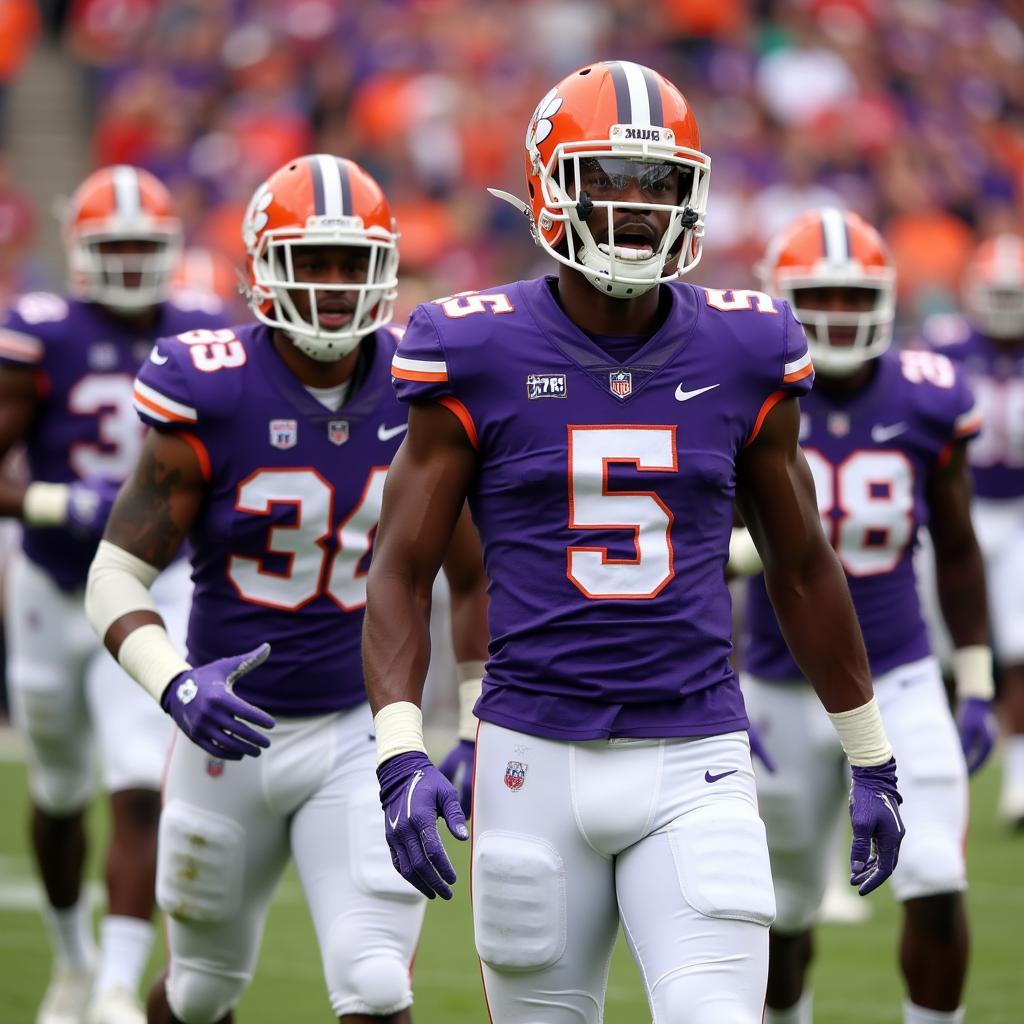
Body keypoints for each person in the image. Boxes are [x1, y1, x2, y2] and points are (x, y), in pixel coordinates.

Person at [362, 62, 906, 1024]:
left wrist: (870, 753)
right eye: (606, 176)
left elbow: (801, 562)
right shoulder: (472, 346)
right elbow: (401, 568)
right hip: (530, 752)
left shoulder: (748, 346)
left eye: (659, 183)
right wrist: (403, 750)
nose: (635, 207)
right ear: (546, 185)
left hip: (696, 750)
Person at [83, 153, 488, 1024]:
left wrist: (476, 720)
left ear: (384, 268)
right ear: (264, 266)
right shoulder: (211, 384)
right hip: (229, 732)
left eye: (352, 263)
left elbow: (474, 571)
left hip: (359, 729)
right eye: (312, 260)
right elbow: (116, 572)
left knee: (377, 983)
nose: (334, 285)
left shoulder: (420, 382)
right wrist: (174, 682)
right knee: (198, 993)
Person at [741, 207, 995, 1024]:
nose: (842, 315)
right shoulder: (744, 394)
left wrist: (978, 679)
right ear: (779, 298)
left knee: (936, 881)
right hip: (777, 686)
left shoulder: (928, 398)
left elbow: (957, 548)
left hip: (901, 676)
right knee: (779, 912)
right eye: (823, 296)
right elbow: (695, 553)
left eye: (857, 297)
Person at [0, 164, 228, 1024]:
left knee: (139, 781)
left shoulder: (206, 333)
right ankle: (71, 961)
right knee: (59, 790)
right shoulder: (42, 332)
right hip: (54, 587)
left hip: (150, 581)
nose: (132, 261)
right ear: (81, 251)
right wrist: (70, 503)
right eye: (116, 246)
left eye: (145, 245)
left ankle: (113, 991)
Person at [920, 233, 1024, 827]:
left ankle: (1017, 779)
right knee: (938, 646)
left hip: (1018, 511)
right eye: (998, 292)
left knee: (1016, 647)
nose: (1006, 304)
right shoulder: (946, 347)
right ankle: (936, 759)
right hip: (958, 509)